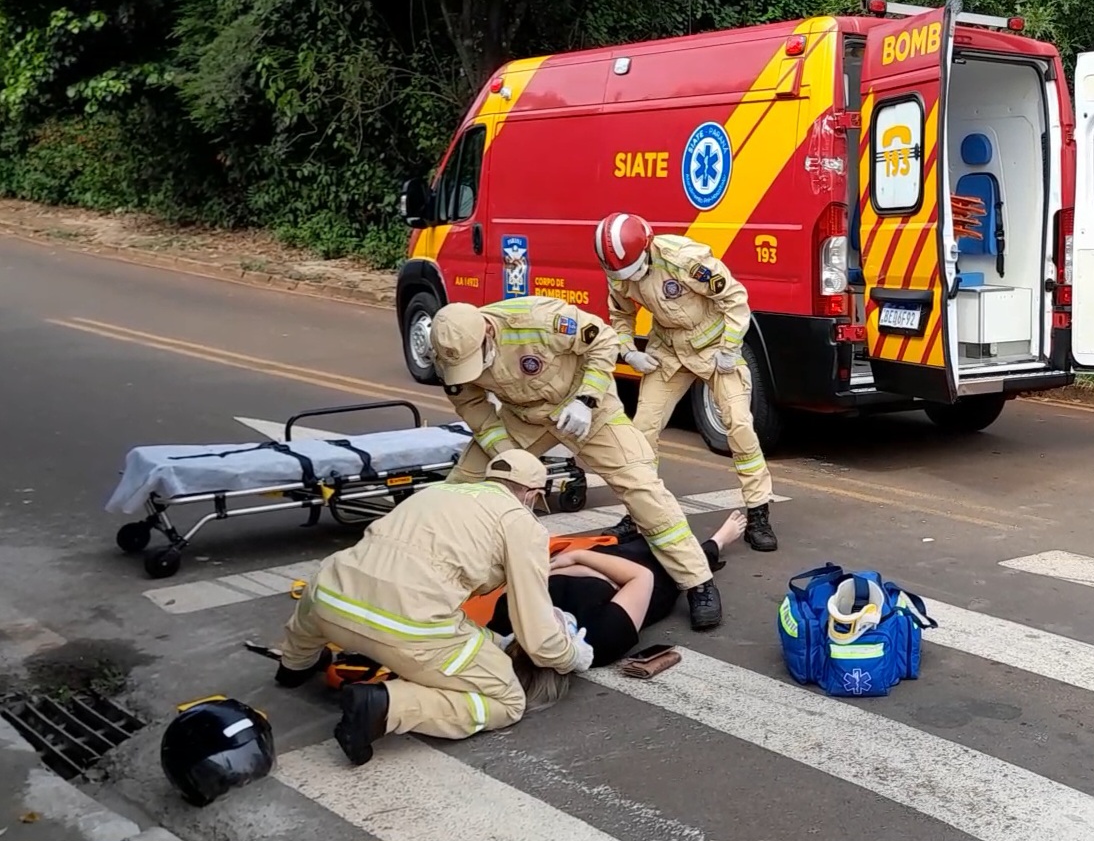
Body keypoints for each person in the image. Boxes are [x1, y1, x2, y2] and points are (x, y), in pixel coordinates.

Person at [270, 448, 592, 767]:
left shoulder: (439, 491)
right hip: (406, 626)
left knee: (324, 599)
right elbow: (538, 638)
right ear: (533, 494)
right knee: (507, 701)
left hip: (330, 596)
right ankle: (387, 706)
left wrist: (499, 643)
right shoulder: (522, 524)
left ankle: (293, 665)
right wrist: (572, 655)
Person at [428, 295, 723, 631]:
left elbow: (603, 341)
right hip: (524, 416)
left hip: (587, 408)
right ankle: (429, 578)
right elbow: (473, 407)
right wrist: (505, 455)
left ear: (488, 333)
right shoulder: (448, 355)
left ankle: (698, 582)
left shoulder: (537, 320)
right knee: (463, 486)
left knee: (641, 487)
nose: (473, 371)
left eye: (476, 362)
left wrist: (586, 399)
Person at [592, 212, 779, 553]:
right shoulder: (619, 271)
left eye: (635, 269)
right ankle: (638, 515)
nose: (629, 278)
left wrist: (730, 346)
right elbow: (621, 314)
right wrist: (629, 350)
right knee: (642, 430)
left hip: (715, 349)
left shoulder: (685, 260)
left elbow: (734, 299)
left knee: (739, 425)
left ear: (647, 247)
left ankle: (758, 513)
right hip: (670, 351)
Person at [489, 511, 747, 667]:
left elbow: (537, 572)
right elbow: (640, 577)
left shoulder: (509, 617)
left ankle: (639, 527)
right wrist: (579, 559)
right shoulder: (599, 643)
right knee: (680, 562)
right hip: (645, 580)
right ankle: (718, 541)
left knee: (650, 534)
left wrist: (580, 563)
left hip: (606, 561)